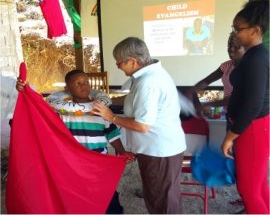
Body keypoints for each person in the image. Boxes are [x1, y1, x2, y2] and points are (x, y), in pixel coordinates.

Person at [16, 69, 135, 214]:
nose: (84, 86)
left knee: (107, 196)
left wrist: (122, 151)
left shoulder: (102, 111)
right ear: (67, 88)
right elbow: (39, 112)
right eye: (77, 83)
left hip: (97, 162)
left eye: (86, 82)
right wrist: (25, 90)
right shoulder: (60, 113)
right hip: (72, 163)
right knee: (76, 196)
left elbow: (112, 133)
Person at [91, 37, 186, 214]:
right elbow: (132, 101)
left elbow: (142, 126)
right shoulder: (145, 76)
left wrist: (110, 117)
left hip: (159, 150)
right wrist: (107, 101)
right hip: (156, 149)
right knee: (159, 194)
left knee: (163, 201)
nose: (118, 66)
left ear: (133, 61)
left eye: (119, 62)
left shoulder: (148, 83)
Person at [221, 0, 269, 214]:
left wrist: (230, 137)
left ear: (255, 31)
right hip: (254, 126)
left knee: (248, 189)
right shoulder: (254, 55)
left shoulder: (256, 59)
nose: (235, 33)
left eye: (238, 28)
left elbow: (252, 105)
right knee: (258, 185)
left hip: (253, 128)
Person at [185, 33, 245, 119]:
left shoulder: (248, 68)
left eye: (236, 47)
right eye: (229, 46)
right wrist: (190, 91)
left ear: (247, 49)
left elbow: (236, 98)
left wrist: (208, 104)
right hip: (227, 104)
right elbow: (207, 81)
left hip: (240, 111)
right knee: (199, 96)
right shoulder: (226, 65)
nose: (231, 49)